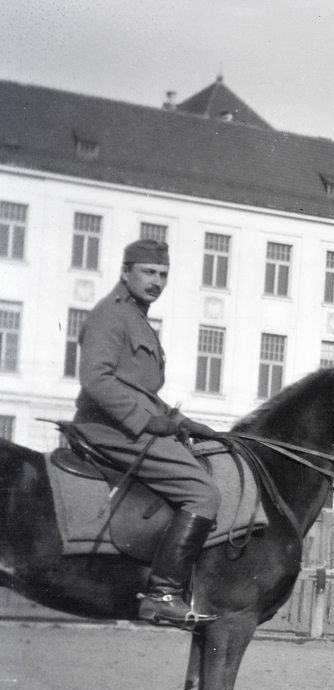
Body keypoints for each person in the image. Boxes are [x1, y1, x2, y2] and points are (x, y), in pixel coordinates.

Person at [75, 238, 221, 629]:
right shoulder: (111, 315)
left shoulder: (138, 318)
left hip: (129, 424)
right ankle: (162, 594)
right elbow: (95, 379)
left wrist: (180, 423)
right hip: (110, 429)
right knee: (202, 492)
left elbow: (139, 389)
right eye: (149, 272)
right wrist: (147, 422)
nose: (157, 281)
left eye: (163, 274)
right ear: (126, 272)